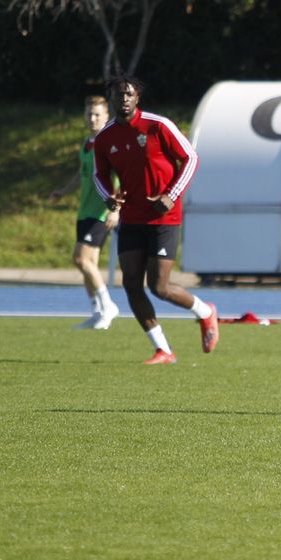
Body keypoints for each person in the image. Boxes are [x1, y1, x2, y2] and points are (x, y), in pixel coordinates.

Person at [92, 75, 219, 365]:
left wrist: (172, 195)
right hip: (132, 218)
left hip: (164, 217)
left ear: (138, 98)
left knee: (159, 287)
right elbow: (99, 175)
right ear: (111, 98)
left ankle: (205, 312)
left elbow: (190, 158)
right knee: (132, 285)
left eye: (129, 94)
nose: (124, 98)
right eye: (118, 94)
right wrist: (109, 198)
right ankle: (163, 349)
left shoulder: (157, 126)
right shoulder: (105, 138)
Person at [52, 95, 120, 330]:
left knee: (80, 259)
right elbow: (82, 175)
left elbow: (120, 178)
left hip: (101, 211)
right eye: (89, 114)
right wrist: (63, 191)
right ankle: (98, 312)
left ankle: (108, 305)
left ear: (106, 117)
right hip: (85, 211)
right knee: (88, 264)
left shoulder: (110, 144)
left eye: (97, 115)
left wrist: (116, 210)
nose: (92, 118)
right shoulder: (86, 144)